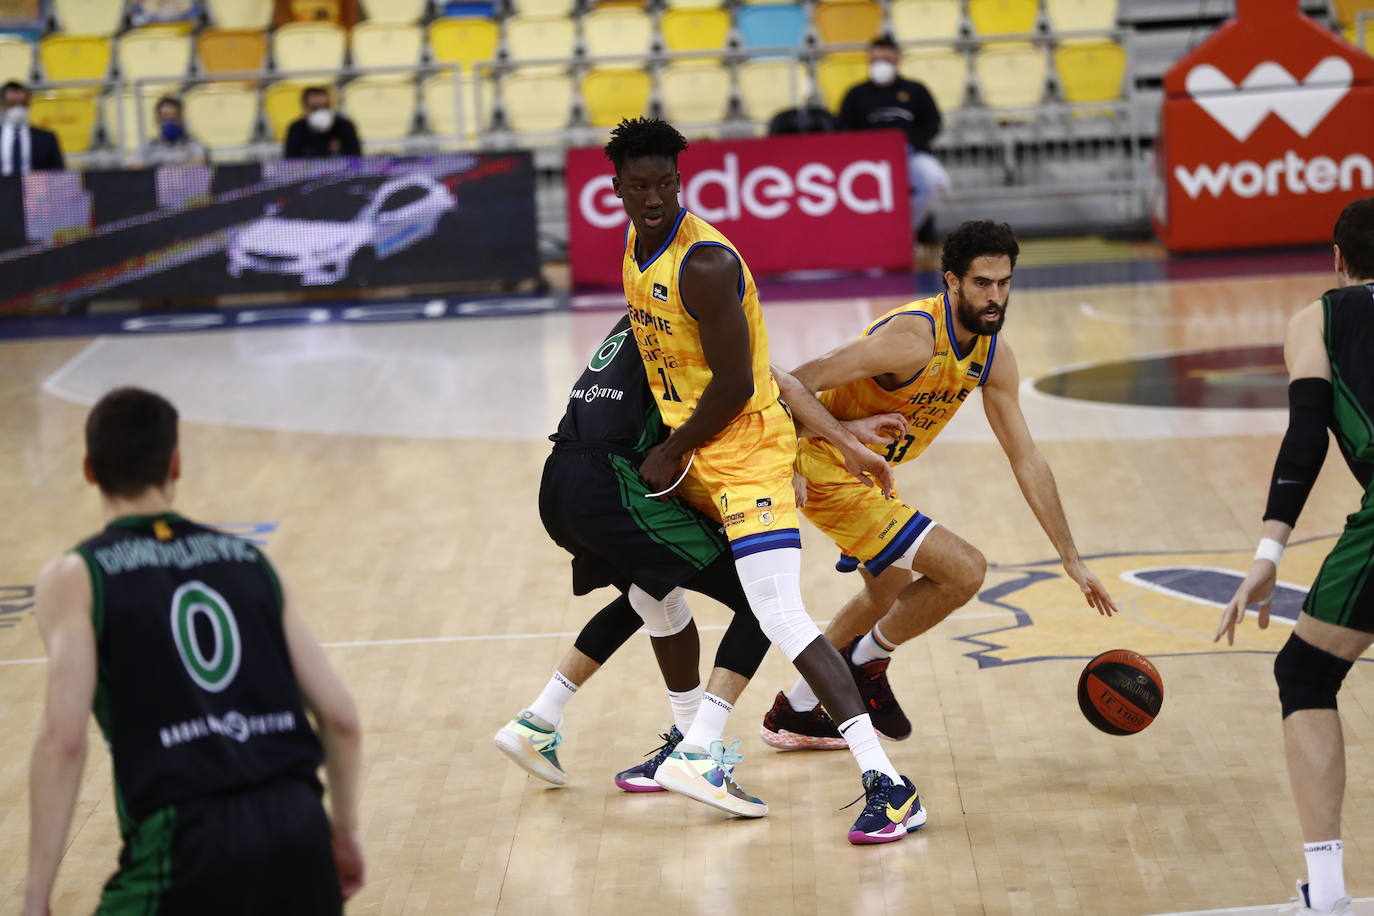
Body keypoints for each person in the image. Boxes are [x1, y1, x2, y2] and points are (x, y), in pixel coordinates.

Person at [608, 116, 923, 845]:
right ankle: (693, 747)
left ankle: (890, 784)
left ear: (678, 182)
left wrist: (678, 446)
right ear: (617, 187)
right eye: (640, 185)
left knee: (782, 617)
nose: (654, 197)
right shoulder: (633, 243)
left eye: (665, 183)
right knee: (647, 579)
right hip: (695, 458)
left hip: (743, 452)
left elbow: (734, 383)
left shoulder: (705, 263)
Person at [493, 316, 905, 809]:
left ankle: (544, 719)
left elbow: (761, 392)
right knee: (760, 602)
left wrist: (836, 435)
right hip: (613, 483)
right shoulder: (690, 321)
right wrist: (817, 450)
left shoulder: (639, 315)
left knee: (652, 594)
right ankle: (696, 752)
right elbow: (763, 393)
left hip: (560, 479)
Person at [759, 220, 1119, 750]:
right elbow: (789, 383)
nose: (995, 297)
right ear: (952, 282)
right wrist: (792, 455)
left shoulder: (993, 356)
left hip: (862, 471)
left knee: (886, 590)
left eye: (1004, 283)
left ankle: (799, 709)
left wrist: (1071, 557)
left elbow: (1027, 459)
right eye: (982, 284)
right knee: (964, 570)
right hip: (821, 462)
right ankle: (867, 663)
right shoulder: (911, 341)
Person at [22, 388, 364, 915]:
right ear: (175, 463)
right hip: (299, 826)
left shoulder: (77, 576)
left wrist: (36, 894)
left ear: (89, 470)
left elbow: (63, 742)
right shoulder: (249, 559)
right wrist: (341, 834)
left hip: (185, 835)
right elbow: (341, 717)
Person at [1214, 198, 1374, 916]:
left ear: (1337, 259)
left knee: (1306, 670)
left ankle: (1329, 893)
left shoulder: (1320, 318)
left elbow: (1306, 435)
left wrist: (1268, 552)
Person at [838, 37, 950, 243]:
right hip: (867, 162)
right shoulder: (855, 94)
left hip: (910, 155)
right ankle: (874, 238)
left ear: (897, 60)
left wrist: (911, 145)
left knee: (936, 182)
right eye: (875, 60)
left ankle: (905, 231)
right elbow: (844, 130)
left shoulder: (916, 90)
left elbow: (933, 123)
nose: (880, 65)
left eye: (886, 59)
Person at [1, 81, 64, 177]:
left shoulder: (46, 138)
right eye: (12, 104)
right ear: (2, 105)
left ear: (29, 104)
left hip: (36, 190)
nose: (17, 109)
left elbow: (58, 174)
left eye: (22, 104)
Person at [284, 86, 362, 160]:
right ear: (304, 108)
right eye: (315, 108)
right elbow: (291, 162)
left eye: (325, 107)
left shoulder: (345, 126)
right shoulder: (296, 128)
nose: (320, 112)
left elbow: (355, 159)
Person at [139, 96, 208, 167]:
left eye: (174, 118)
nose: (170, 122)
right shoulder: (147, 147)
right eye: (165, 118)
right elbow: (137, 169)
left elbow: (199, 163)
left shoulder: (194, 144)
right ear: (157, 120)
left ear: (181, 119)